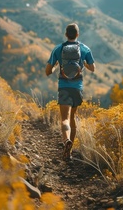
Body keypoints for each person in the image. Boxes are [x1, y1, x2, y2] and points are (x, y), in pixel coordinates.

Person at [45, 23, 95, 161]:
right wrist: (83, 64)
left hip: (64, 87)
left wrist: (56, 66)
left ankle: (66, 140)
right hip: (77, 88)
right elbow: (92, 68)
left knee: (65, 119)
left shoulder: (58, 49)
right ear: (77, 34)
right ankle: (69, 152)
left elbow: (47, 72)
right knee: (72, 117)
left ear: (66, 34)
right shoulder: (84, 49)